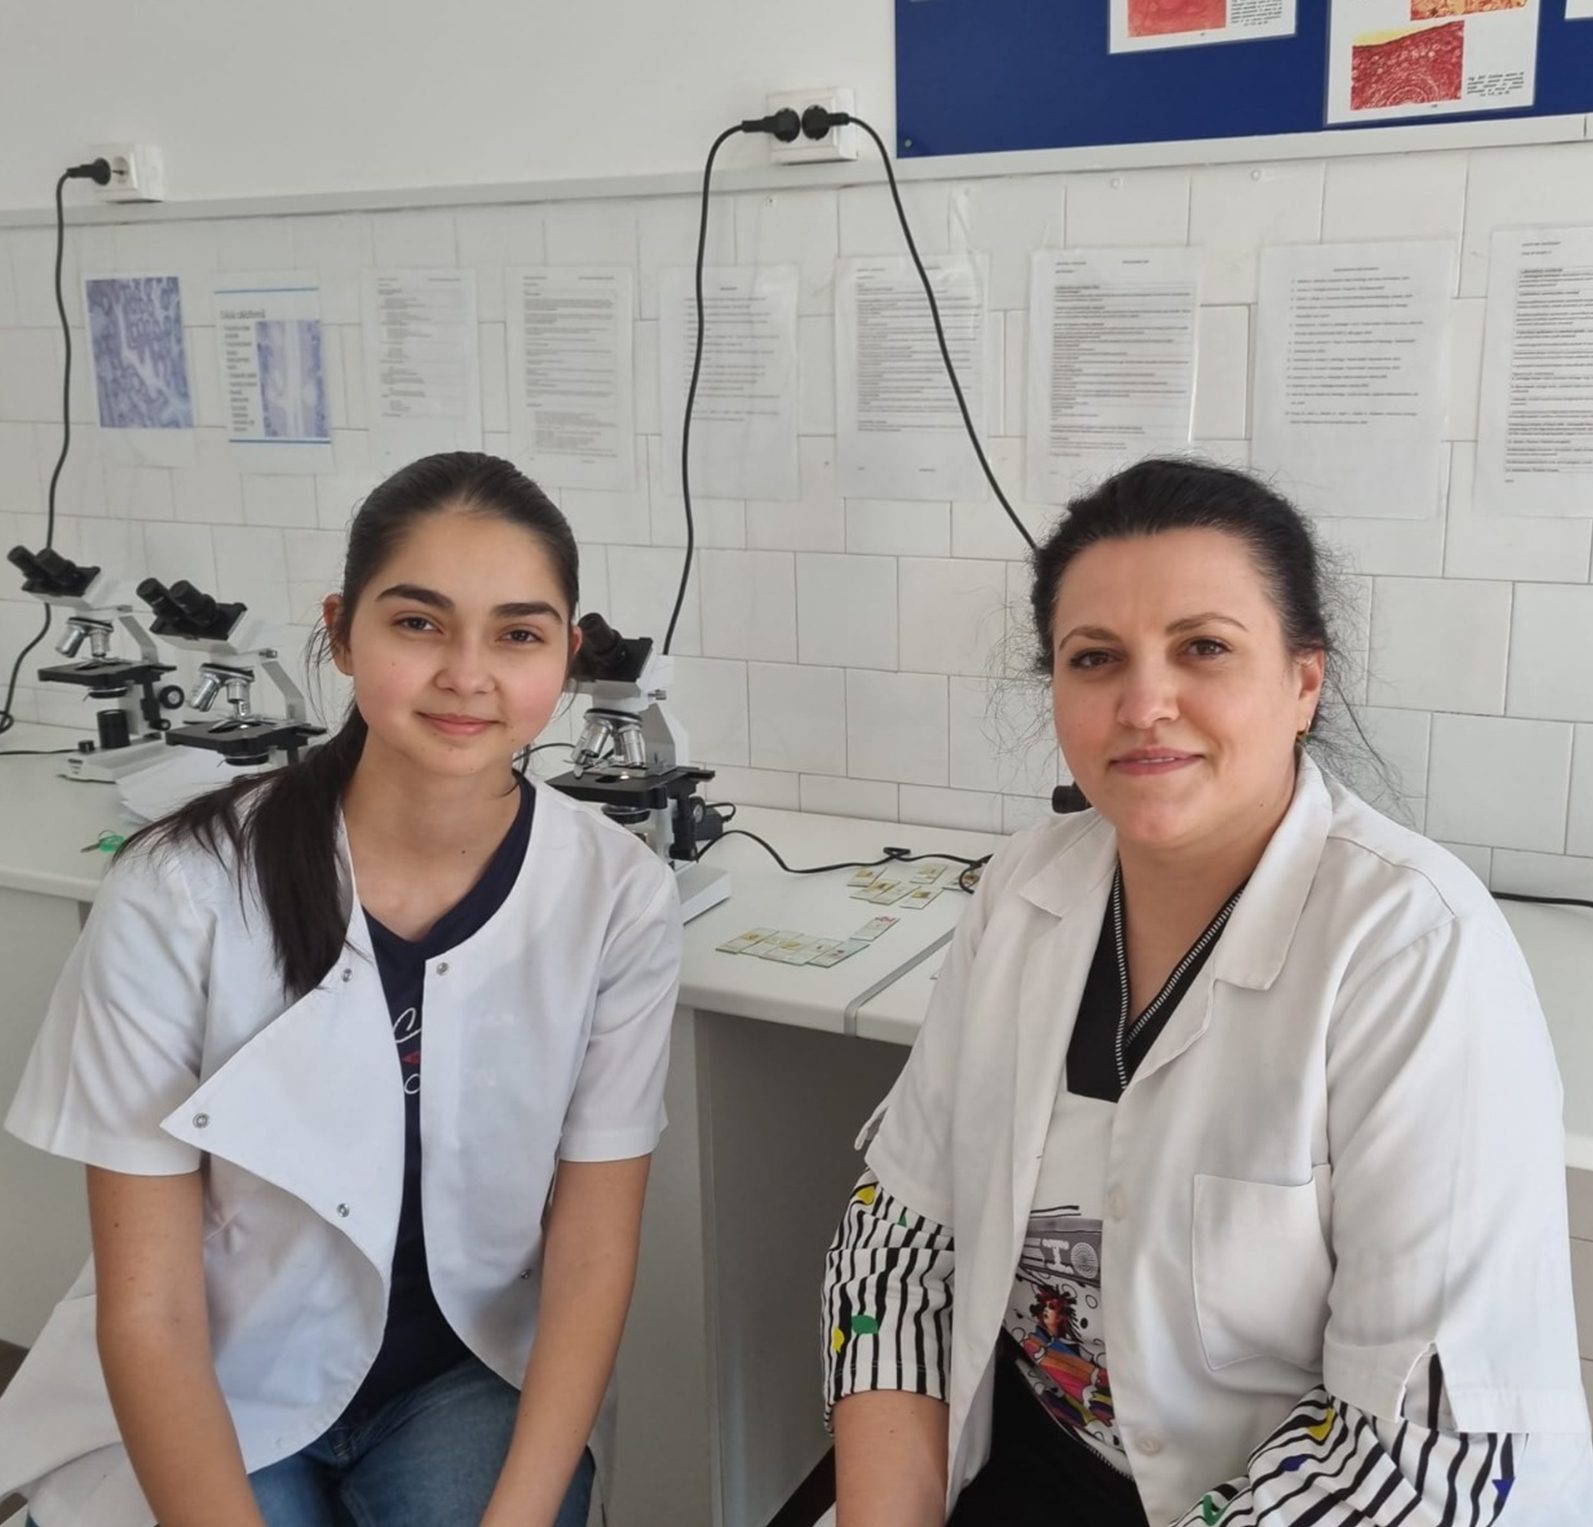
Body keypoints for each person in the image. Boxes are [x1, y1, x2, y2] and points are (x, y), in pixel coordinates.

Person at [821, 459, 1593, 1525]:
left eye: (1204, 648)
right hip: (1035, 1451)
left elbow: (1424, 1460)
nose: (1144, 705)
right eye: (1095, 658)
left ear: (1303, 683)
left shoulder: (1415, 949)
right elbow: (900, 1242)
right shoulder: (1024, 891)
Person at [0, 452, 682, 1527]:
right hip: (219, 1368)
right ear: (342, 630)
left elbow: (592, 1251)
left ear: (567, 654)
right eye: (418, 623)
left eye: (517, 634)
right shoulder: (181, 891)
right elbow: (151, 1303)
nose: (467, 674)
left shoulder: (618, 896)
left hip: (460, 1379)